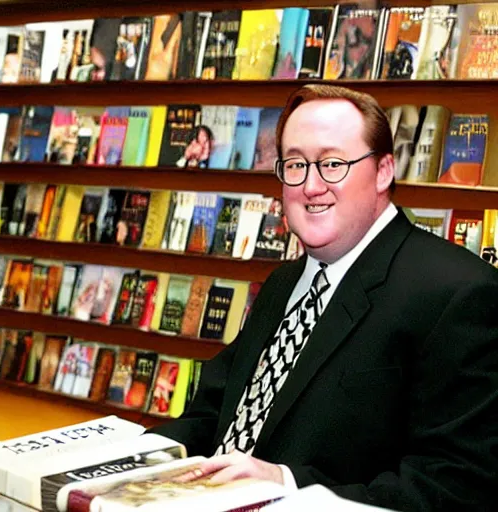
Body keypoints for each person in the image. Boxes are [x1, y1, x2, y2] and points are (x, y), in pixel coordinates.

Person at [149, 84, 498, 511]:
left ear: (384, 170)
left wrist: (286, 486)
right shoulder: (283, 283)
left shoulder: (457, 293)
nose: (311, 186)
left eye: (333, 163)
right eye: (295, 164)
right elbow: (211, 415)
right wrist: (123, 465)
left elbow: (456, 488)